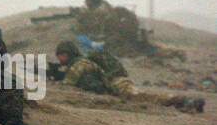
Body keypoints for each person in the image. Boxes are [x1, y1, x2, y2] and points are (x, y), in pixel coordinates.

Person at [52, 41, 205, 113]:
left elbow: (68, 84)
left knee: (146, 97)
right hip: (116, 83)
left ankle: (185, 101)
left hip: (118, 85)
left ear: (69, 54)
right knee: (146, 98)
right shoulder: (80, 63)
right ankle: (183, 103)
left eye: (62, 55)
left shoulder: (79, 64)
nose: (61, 59)